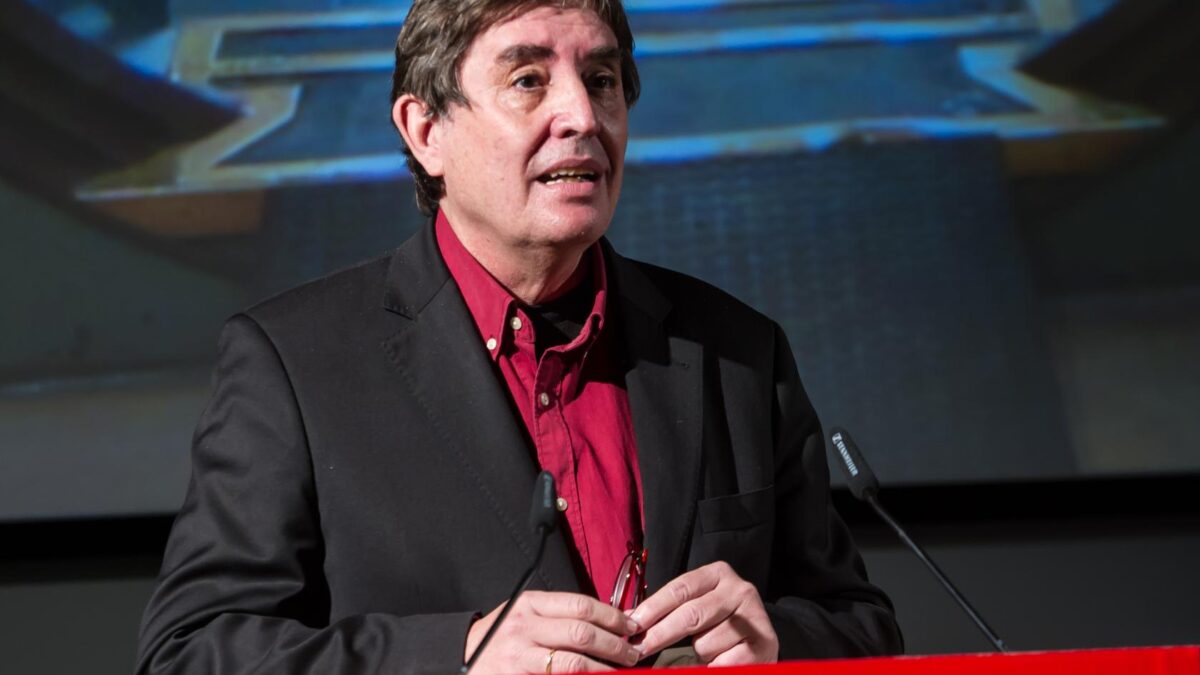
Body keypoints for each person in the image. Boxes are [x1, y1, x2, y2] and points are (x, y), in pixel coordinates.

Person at [135, 0, 902, 673]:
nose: (582, 116)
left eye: (601, 80)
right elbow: (191, 652)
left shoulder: (737, 351)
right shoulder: (294, 363)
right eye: (529, 80)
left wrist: (778, 640)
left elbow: (862, 626)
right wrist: (458, 653)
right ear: (426, 131)